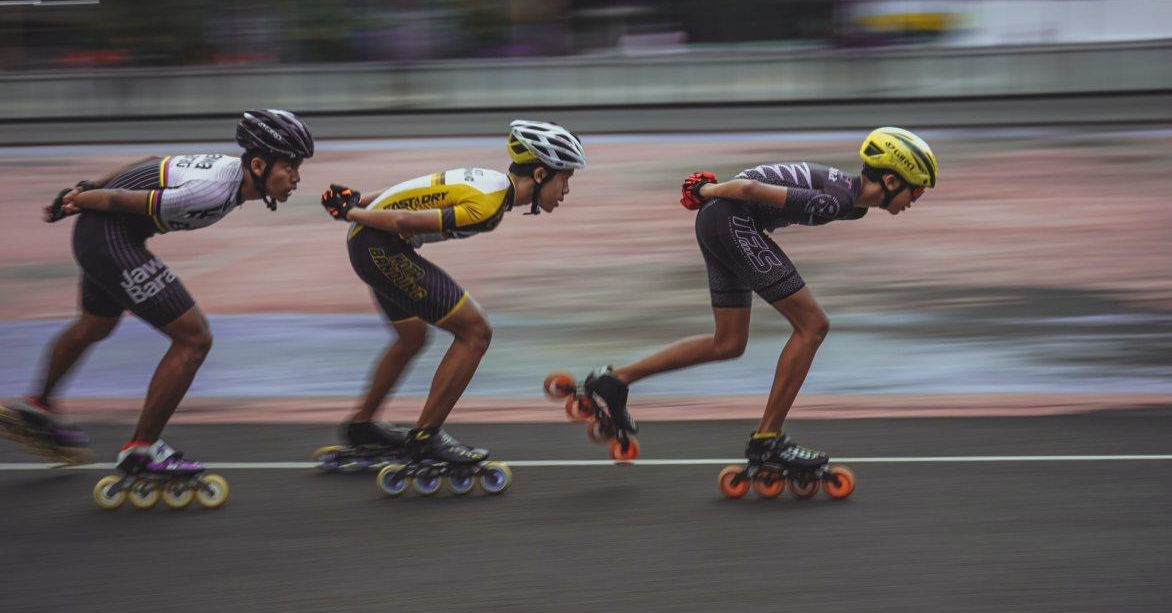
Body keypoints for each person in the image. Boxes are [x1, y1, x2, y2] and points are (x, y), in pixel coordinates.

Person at [576, 126, 938, 471]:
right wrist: (706, 191)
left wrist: (711, 198)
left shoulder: (851, 199)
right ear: (891, 181)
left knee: (728, 342)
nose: (915, 201)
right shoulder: (837, 199)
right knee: (812, 326)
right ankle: (768, 440)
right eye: (917, 191)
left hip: (720, 221)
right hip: (731, 217)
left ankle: (615, 380)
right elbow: (750, 189)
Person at [0, 109, 313, 484]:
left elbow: (150, 162)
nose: (296, 178)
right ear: (259, 165)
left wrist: (83, 190)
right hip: (108, 235)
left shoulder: (232, 172)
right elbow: (117, 201)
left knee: (95, 325)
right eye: (290, 167)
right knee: (193, 339)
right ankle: (142, 451)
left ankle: (38, 406)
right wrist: (79, 199)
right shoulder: (213, 189)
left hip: (106, 236)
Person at [317, 120, 585, 470]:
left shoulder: (487, 180)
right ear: (539, 174)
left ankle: (363, 428)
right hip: (380, 245)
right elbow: (404, 222)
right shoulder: (488, 206)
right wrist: (351, 210)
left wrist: (358, 201)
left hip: (371, 243)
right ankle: (426, 438)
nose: (565, 191)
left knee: (411, 338)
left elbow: (411, 190)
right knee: (476, 332)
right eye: (564, 180)